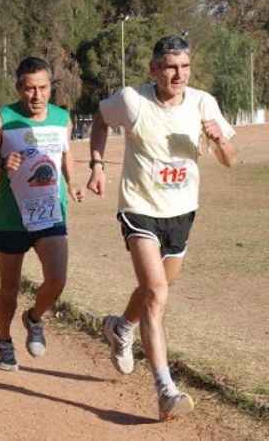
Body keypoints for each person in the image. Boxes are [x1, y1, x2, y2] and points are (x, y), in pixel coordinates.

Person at [86, 35, 238, 421]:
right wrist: (98, 164)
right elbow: (101, 118)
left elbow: (230, 160)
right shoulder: (133, 100)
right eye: (170, 67)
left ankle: (121, 328)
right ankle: (165, 389)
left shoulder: (204, 103)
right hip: (139, 208)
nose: (179, 74)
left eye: (185, 67)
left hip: (182, 212)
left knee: (159, 288)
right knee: (156, 293)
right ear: (154, 69)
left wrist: (219, 140)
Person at [0, 57, 84, 371]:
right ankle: (4, 340)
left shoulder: (62, 118)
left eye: (43, 88)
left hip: (50, 214)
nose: (37, 96)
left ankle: (34, 319)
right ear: (19, 88)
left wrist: (72, 183)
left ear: (50, 87)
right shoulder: (2, 119)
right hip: (12, 216)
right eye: (30, 89)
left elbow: (65, 154)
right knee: (9, 288)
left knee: (57, 279)